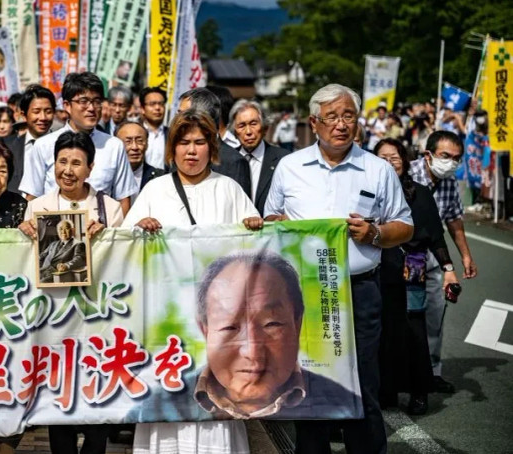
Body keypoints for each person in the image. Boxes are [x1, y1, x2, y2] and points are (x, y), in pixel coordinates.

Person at [265, 83, 414, 454]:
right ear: (314, 123)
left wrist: (375, 233)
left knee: (363, 381)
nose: (341, 124)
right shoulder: (290, 166)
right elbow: (269, 218)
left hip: (359, 290)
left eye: (348, 115)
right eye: (331, 117)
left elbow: (405, 225)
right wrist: (275, 222)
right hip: (306, 293)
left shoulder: (377, 169)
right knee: (311, 381)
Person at [124, 110, 262, 454]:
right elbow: (122, 245)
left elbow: (254, 250)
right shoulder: (154, 190)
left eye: (200, 142)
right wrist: (139, 226)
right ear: (172, 149)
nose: (191, 150)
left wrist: (254, 227)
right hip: (165, 319)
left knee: (214, 394)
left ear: (211, 148)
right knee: (169, 387)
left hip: (218, 324)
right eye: (184, 142)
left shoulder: (229, 189)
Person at [128, 251, 361, 423]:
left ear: (297, 323)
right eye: (230, 327)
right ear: (205, 329)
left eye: (271, 324)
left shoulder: (337, 400)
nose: (252, 351)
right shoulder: (157, 405)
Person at [19, 130, 122, 454]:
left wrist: (109, 238)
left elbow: (126, 262)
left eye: (76, 163)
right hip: (55, 317)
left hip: (97, 319)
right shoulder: (38, 207)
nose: (68, 170)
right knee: (57, 395)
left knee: (97, 395)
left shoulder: (110, 208)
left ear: (90, 168)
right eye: (62, 161)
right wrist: (22, 236)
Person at [374, 139, 456, 416]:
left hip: (412, 269)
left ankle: (420, 392)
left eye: (394, 158)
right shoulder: (368, 191)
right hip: (379, 270)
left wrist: (448, 269)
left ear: (405, 161)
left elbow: (435, 234)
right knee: (384, 332)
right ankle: (388, 390)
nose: (389, 163)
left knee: (414, 331)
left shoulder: (419, 192)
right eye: (382, 158)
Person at [408, 130, 477, 394]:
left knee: (434, 317)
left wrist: (466, 256)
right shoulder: (406, 174)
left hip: (434, 257)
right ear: (429, 154)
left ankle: (432, 372)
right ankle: (395, 374)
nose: (451, 163)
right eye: (445, 156)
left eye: (456, 159)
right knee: (400, 316)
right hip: (402, 254)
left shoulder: (449, 182)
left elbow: (455, 223)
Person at [19, 73, 136, 215]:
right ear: (67, 105)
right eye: (84, 101)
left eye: (96, 101)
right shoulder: (43, 145)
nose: (91, 108)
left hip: (100, 233)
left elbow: (123, 200)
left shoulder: (114, 146)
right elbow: (32, 197)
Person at [177, 88, 252, 198]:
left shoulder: (233, 162)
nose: (177, 120)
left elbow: (240, 210)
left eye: (183, 114)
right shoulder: (178, 154)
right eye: (178, 114)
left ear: (202, 117)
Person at [228, 100, 289, 216]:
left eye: (253, 123)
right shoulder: (226, 160)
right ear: (234, 131)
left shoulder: (283, 159)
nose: (248, 132)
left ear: (265, 128)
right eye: (242, 126)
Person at [5, 85, 56, 194]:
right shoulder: (8, 147)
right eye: (36, 111)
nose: (43, 117)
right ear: (24, 115)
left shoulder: (62, 145)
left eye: (48, 111)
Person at [115, 121, 164, 203]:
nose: (134, 147)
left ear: (147, 144)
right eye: (128, 141)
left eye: (139, 141)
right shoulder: (109, 177)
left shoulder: (160, 178)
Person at [139, 87, 168, 169]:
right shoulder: (135, 134)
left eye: (161, 104)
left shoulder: (172, 134)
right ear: (142, 109)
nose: (157, 108)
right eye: (152, 104)